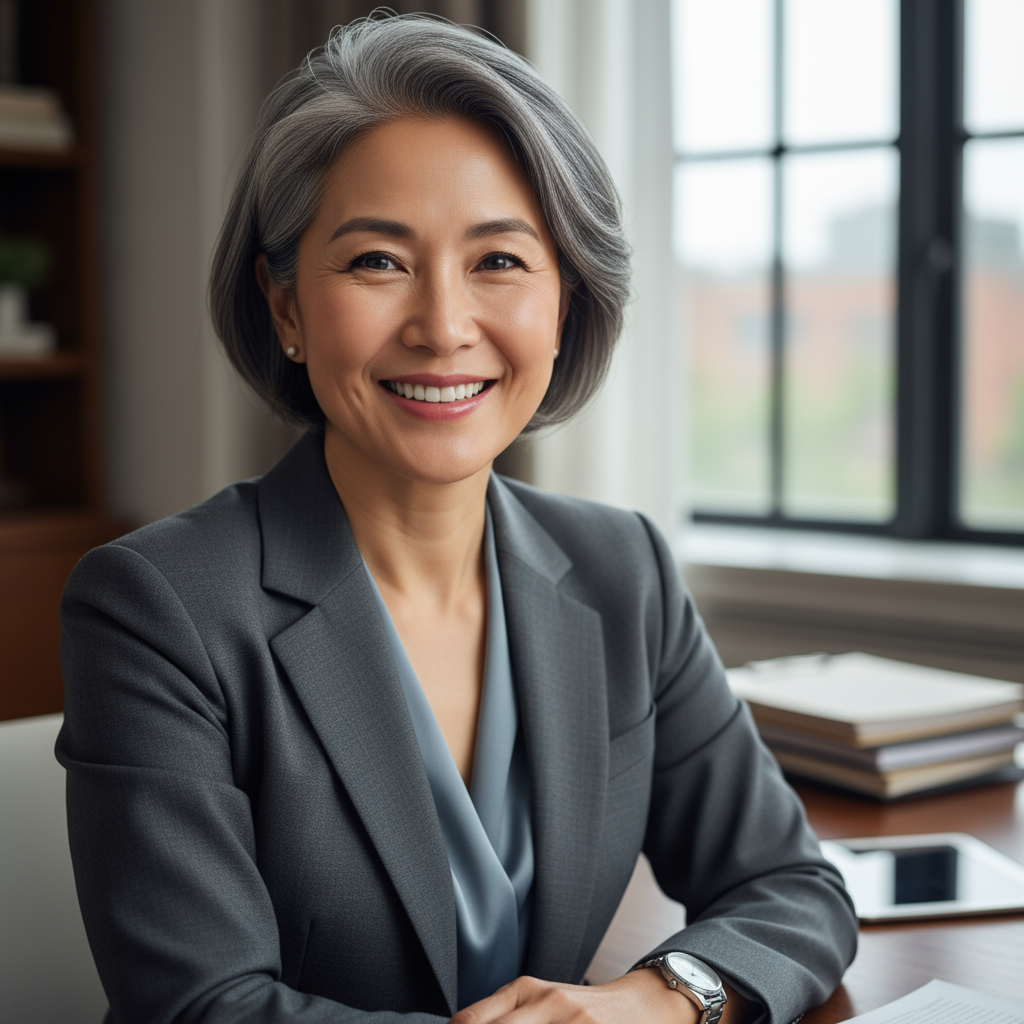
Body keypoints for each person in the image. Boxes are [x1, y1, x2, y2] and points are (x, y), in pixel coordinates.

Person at [57, 14, 857, 1024]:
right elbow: (202, 1007)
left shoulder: (623, 570)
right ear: (286, 306)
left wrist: (656, 1002)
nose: (442, 327)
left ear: (565, 303)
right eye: (376, 261)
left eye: (500, 261)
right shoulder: (157, 607)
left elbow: (792, 886)